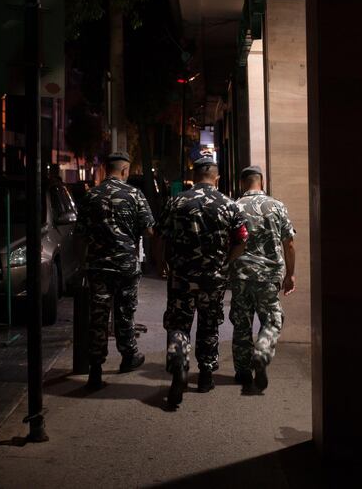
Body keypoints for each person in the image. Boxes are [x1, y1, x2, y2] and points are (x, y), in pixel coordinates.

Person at [157, 157, 248, 408]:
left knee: (178, 323)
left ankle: (179, 367)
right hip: (213, 278)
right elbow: (242, 240)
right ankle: (206, 375)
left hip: (181, 276)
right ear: (216, 177)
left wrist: (162, 263)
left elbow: (160, 235)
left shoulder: (176, 201)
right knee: (209, 323)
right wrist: (225, 262)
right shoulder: (229, 205)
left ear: (193, 175)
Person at [75, 152, 155, 389]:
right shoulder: (134, 195)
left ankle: (96, 369)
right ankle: (128, 357)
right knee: (124, 311)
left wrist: (83, 263)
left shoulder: (91, 196)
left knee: (98, 315)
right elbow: (150, 230)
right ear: (124, 170)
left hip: (98, 266)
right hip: (125, 266)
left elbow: (80, 234)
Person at [230, 166, 296, 393]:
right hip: (269, 276)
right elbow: (289, 243)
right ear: (263, 181)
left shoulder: (233, 207)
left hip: (240, 274)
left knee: (241, 322)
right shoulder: (277, 206)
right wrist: (290, 274)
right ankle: (263, 350)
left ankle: (242, 372)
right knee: (273, 318)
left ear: (242, 183)